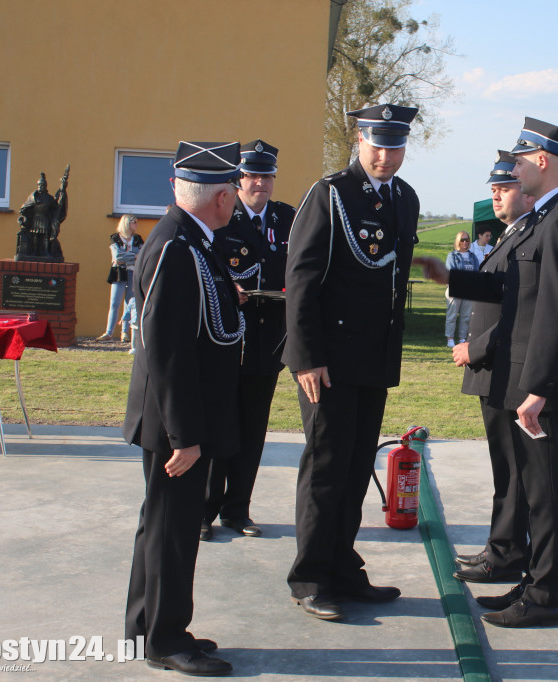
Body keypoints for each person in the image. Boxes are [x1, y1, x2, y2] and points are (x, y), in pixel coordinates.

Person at [416, 116, 558, 628]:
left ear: (542, 161)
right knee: (530, 489)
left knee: (544, 493)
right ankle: (531, 582)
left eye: (517, 162)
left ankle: (544, 598)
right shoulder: (543, 219)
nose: (512, 172)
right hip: (519, 378)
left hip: (539, 385)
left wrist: (538, 388)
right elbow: (514, 294)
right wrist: (453, 277)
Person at [282, 103, 419, 622]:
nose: (386, 156)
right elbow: (302, 281)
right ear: (358, 140)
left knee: (358, 467)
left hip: (372, 360)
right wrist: (307, 358)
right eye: (376, 144)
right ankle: (311, 576)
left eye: (395, 145)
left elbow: (392, 284)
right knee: (326, 468)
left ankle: (343, 567)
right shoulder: (331, 193)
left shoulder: (405, 199)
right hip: (329, 362)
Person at [123, 141, 244, 677]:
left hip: (183, 419)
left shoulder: (191, 239)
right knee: (171, 531)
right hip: (178, 425)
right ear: (221, 197)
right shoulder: (177, 246)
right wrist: (184, 434)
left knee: (162, 525)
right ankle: (164, 639)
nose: (237, 201)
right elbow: (165, 349)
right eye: (234, 192)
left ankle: (148, 628)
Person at [449, 150, 535, 587]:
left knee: (512, 468)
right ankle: (501, 547)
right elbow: (495, 288)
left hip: (505, 369)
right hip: (494, 371)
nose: (497, 197)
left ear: (526, 188)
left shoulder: (527, 235)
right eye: (494, 190)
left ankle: (505, 554)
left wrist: (475, 349)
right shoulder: (510, 234)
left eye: (504, 188)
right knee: (505, 467)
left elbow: (521, 311)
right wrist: (445, 278)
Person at [202, 140, 294, 542]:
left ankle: (238, 509)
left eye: (266, 175)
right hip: (227, 337)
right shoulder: (224, 215)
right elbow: (207, 269)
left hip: (268, 338)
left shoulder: (288, 218)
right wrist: (228, 288)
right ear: (237, 180)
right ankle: (204, 509)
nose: (260, 182)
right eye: (252, 175)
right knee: (219, 422)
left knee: (253, 428)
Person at [98, 214, 143, 342]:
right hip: (118, 274)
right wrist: (133, 256)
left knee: (130, 303)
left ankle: (125, 333)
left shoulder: (138, 239)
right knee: (114, 303)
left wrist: (127, 256)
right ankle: (109, 333)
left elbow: (142, 255)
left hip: (133, 273)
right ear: (127, 223)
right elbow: (117, 257)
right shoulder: (115, 238)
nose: (136, 224)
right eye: (134, 222)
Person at [444, 230, 480, 347]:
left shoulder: (473, 256)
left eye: (467, 240)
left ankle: (462, 338)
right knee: (452, 315)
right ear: (458, 242)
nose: (465, 242)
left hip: (469, 290)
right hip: (455, 289)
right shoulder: (452, 256)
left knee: (466, 316)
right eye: (462, 240)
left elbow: (476, 273)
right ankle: (450, 338)